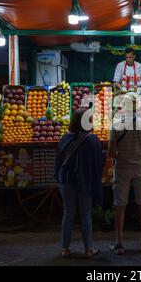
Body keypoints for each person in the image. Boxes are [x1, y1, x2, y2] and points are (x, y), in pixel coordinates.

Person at [54, 108, 105, 259]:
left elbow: (58, 161)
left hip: (67, 180)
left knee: (68, 214)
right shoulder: (92, 140)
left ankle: (65, 249)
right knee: (85, 214)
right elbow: (99, 162)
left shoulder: (64, 138)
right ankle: (89, 249)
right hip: (85, 181)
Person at [108, 93, 141, 255]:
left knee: (120, 206)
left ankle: (119, 243)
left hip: (122, 169)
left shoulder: (115, 125)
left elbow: (111, 153)